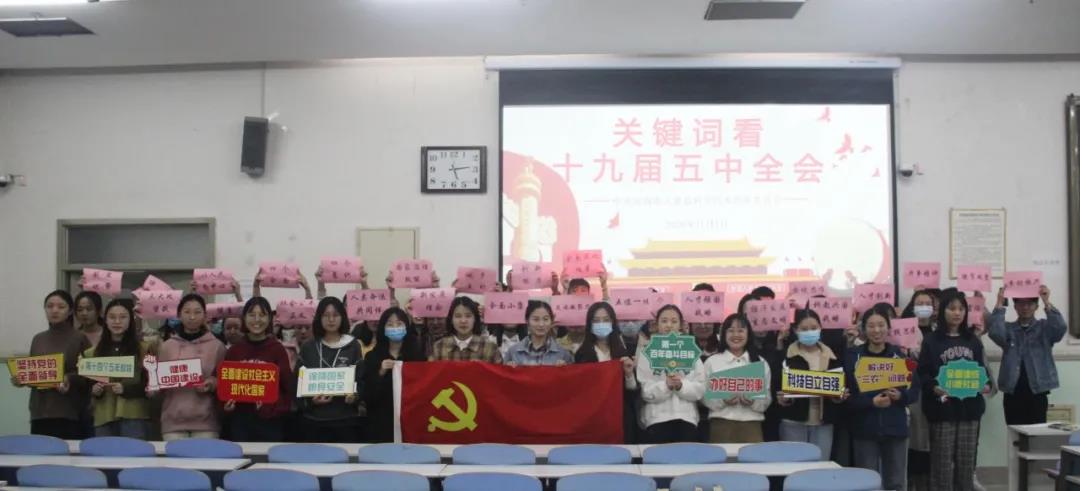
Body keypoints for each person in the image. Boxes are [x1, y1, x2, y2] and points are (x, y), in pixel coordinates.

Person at [918, 288, 990, 491]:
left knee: (966, 464)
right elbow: (923, 373)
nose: (957, 313)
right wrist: (934, 388)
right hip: (942, 410)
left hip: (969, 410)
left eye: (961, 309)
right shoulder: (931, 340)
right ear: (942, 311)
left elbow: (982, 371)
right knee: (941, 464)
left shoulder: (972, 340)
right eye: (952, 308)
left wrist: (984, 385)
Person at [845, 304, 919, 491]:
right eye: (871, 326)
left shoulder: (899, 356)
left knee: (896, 482)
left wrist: (901, 396)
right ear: (864, 329)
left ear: (888, 327)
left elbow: (914, 391)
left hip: (895, 428)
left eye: (881, 325)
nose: (876, 330)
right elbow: (847, 396)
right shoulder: (853, 357)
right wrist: (871, 402)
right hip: (865, 429)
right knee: (866, 483)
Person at [15, 290, 92, 439]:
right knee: (41, 451)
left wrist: (69, 378)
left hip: (69, 412)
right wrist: (21, 379)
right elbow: (34, 373)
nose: (54, 310)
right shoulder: (38, 339)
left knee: (67, 452)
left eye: (61, 307)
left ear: (70, 311)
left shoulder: (79, 338)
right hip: (39, 412)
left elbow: (89, 375)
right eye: (50, 306)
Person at [988, 285, 1067, 425]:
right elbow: (995, 333)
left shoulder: (1044, 328)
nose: (1025, 307)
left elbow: (1060, 328)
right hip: (1013, 391)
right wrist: (1000, 302)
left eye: (1030, 303)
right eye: (1021, 303)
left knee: (1037, 433)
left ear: (1036, 306)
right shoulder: (1008, 329)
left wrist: (1046, 301)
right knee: (1014, 433)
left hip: (1038, 391)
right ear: (1015, 306)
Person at [152, 293, 227, 441]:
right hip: (173, 421)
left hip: (206, 421)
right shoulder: (167, 346)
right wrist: (157, 385)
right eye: (187, 312)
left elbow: (223, 380)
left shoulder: (217, 346)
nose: (192, 317)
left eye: (197, 312)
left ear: (205, 315)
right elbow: (157, 380)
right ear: (179, 315)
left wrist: (211, 384)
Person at [776, 308, 847, 460]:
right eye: (804, 329)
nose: (810, 332)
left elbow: (838, 388)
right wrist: (783, 398)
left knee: (820, 467)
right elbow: (778, 387)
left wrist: (839, 396)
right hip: (794, 422)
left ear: (820, 328)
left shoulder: (832, 356)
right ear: (795, 330)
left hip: (823, 422)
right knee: (794, 467)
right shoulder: (786, 355)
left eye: (814, 328)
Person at [222, 297, 294, 441]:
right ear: (244, 318)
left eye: (262, 315)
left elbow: (288, 388)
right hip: (240, 422)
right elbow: (224, 385)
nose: (257, 320)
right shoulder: (235, 351)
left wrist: (274, 408)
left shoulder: (277, 349)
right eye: (252, 315)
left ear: (269, 319)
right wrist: (226, 405)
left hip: (270, 423)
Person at [295, 296, 363, 442]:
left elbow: (361, 379)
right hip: (314, 421)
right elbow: (297, 383)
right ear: (319, 318)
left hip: (345, 420)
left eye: (335, 315)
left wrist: (355, 396)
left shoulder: (353, 346)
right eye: (326, 315)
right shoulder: (308, 347)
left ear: (342, 317)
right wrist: (311, 401)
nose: (331, 320)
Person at [637, 305, 706, 443]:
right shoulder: (647, 353)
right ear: (657, 325)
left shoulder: (691, 350)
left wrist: (681, 386)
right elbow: (645, 391)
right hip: (656, 420)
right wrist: (666, 385)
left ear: (680, 325)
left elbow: (700, 389)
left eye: (674, 321)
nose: (669, 325)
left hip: (687, 419)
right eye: (664, 321)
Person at [84, 299, 150, 439]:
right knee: (104, 453)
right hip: (104, 416)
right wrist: (95, 390)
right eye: (112, 317)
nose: (117, 321)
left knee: (133, 452)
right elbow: (87, 386)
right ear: (105, 320)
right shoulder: (92, 353)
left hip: (133, 415)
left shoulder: (144, 349)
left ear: (131, 320)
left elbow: (150, 385)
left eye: (123, 317)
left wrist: (127, 389)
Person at [574, 301, 639, 443]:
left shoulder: (623, 352)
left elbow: (632, 392)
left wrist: (629, 374)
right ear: (589, 324)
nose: (601, 324)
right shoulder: (582, 354)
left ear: (613, 322)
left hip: (619, 416)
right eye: (596, 321)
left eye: (605, 320)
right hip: (592, 416)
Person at [703, 313, 771, 443]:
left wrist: (753, 402)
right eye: (731, 330)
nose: (736, 335)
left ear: (748, 334)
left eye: (740, 330)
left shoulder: (760, 363)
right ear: (723, 334)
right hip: (720, 424)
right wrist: (722, 400)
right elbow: (704, 397)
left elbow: (767, 399)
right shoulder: (712, 362)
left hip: (752, 425)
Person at [363, 307, 424, 442]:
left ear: (406, 327)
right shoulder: (372, 357)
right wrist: (380, 372)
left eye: (399, 323)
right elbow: (367, 395)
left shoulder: (417, 356)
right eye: (390, 324)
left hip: (410, 419)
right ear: (383, 329)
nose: (395, 327)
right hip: (381, 423)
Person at [900, 289, 937, 490]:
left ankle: (928, 482)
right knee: (914, 437)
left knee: (931, 438)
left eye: (927, 303)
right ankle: (913, 481)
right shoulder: (904, 329)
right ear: (912, 306)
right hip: (913, 389)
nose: (924, 307)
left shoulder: (939, 329)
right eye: (919, 303)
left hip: (935, 390)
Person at [429, 297, 502, 362]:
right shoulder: (439, 347)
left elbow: (499, 372)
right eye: (458, 316)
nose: (463, 321)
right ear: (451, 320)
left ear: (475, 319)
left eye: (468, 316)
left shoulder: (490, 348)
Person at [506, 301, 574, 366]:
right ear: (527, 321)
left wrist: (564, 369)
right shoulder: (513, 352)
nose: (541, 324)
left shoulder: (563, 354)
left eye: (546, 319)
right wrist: (509, 368)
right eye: (536, 319)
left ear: (551, 321)